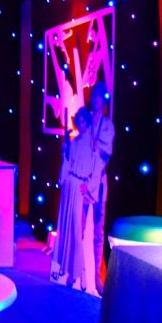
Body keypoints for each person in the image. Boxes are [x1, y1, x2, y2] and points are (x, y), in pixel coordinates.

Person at [50, 107, 100, 294]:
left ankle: (78, 273)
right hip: (69, 186)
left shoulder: (92, 143)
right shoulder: (74, 141)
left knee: (76, 231)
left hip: (79, 188)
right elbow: (67, 163)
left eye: (83, 120)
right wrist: (65, 150)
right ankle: (65, 268)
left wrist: (89, 188)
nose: (80, 123)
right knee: (65, 228)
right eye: (78, 120)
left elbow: (95, 169)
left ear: (87, 122)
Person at [87, 81, 115, 294]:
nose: (96, 98)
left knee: (98, 232)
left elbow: (106, 152)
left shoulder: (107, 125)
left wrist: (95, 146)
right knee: (80, 229)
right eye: (94, 94)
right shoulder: (84, 120)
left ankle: (96, 277)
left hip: (99, 184)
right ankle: (80, 274)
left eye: (100, 95)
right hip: (82, 183)